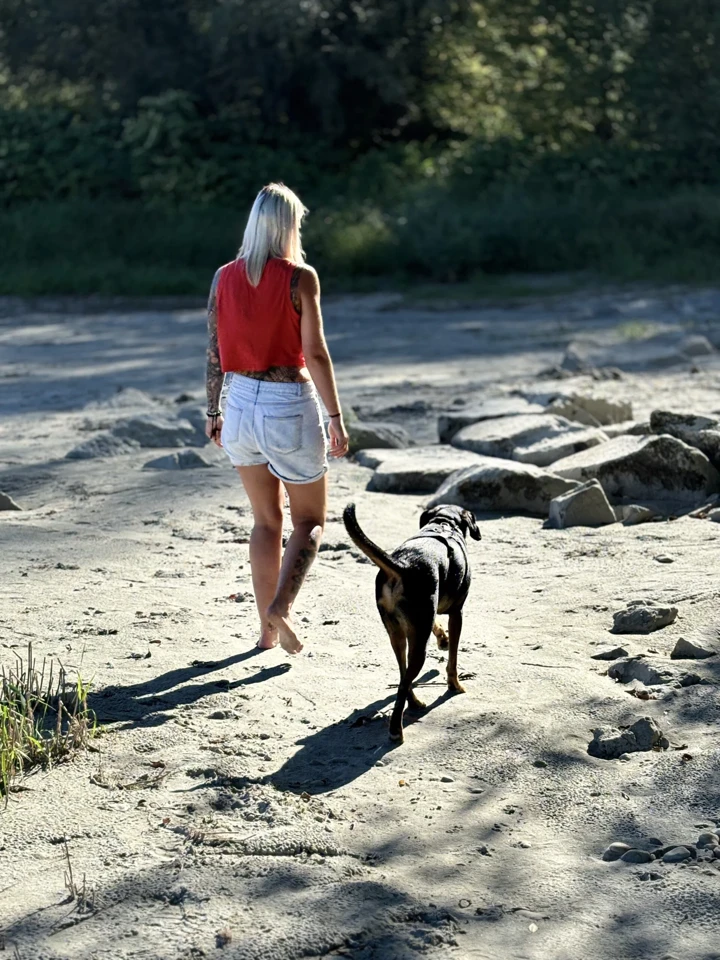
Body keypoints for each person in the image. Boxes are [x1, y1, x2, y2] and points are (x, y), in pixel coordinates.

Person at [205, 183, 349, 655]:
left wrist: (214, 411)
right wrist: (335, 416)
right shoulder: (299, 277)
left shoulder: (222, 277)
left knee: (265, 521)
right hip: (288, 403)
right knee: (310, 519)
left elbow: (213, 351)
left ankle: (265, 634)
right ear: (291, 225)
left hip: (239, 403)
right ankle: (281, 608)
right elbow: (316, 352)